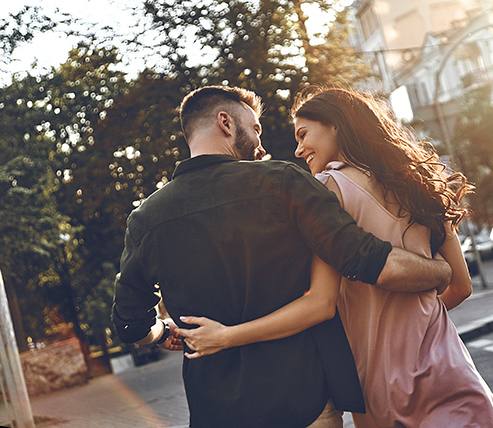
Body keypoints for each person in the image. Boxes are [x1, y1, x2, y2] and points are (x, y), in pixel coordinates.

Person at [177, 86, 493, 427]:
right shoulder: (422, 184)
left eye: (303, 134)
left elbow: (318, 299)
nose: (298, 150)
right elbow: (460, 286)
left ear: (335, 125)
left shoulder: (326, 190)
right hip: (445, 364)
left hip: (375, 375)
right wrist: (411, 322)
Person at [111, 85, 453, 428]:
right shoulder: (283, 182)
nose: (261, 144)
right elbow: (370, 261)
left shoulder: (146, 220)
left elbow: (129, 324)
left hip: (216, 412)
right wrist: (441, 273)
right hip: (303, 403)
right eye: (255, 128)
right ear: (226, 123)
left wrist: (159, 333)